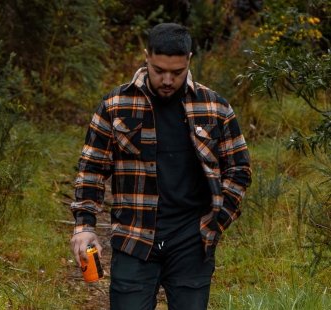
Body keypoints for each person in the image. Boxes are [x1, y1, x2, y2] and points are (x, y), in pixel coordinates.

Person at [69, 23, 251, 310]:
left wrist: (216, 222)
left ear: (189, 59)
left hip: (192, 242)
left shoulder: (216, 108)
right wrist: (84, 226)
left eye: (176, 73)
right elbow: (91, 168)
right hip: (133, 238)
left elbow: (239, 169)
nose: (167, 80)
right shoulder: (115, 105)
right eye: (159, 70)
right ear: (146, 57)